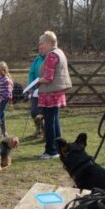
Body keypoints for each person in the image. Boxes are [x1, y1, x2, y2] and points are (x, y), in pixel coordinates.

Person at [37, 31, 72, 159]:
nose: (40, 46)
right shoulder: (60, 52)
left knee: (49, 123)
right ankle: (58, 148)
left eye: (43, 43)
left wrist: (37, 82)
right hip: (56, 92)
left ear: (51, 43)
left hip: (50, 93)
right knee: (54, 120)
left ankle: (51, 151)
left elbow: (48, 77)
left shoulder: (52, 55)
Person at [27, 44, 46, 138]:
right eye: (40, 49)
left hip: (46, 89)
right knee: (34, 112)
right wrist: (31, 85)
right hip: (35, 90)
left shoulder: (49, 59)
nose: (41, 50)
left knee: (44, 113)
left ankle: (45, 132)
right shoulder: (37, 59)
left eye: (42, 48)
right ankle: (38, 129)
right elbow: (31, 73)